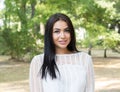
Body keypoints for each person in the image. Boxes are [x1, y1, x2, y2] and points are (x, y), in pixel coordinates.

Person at [29, 13, 94, 92]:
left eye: (67, 30)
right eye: (57, 31)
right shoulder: (38, 61)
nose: (63, 36)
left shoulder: (85, 59)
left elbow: (89, 89)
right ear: (49, 34)